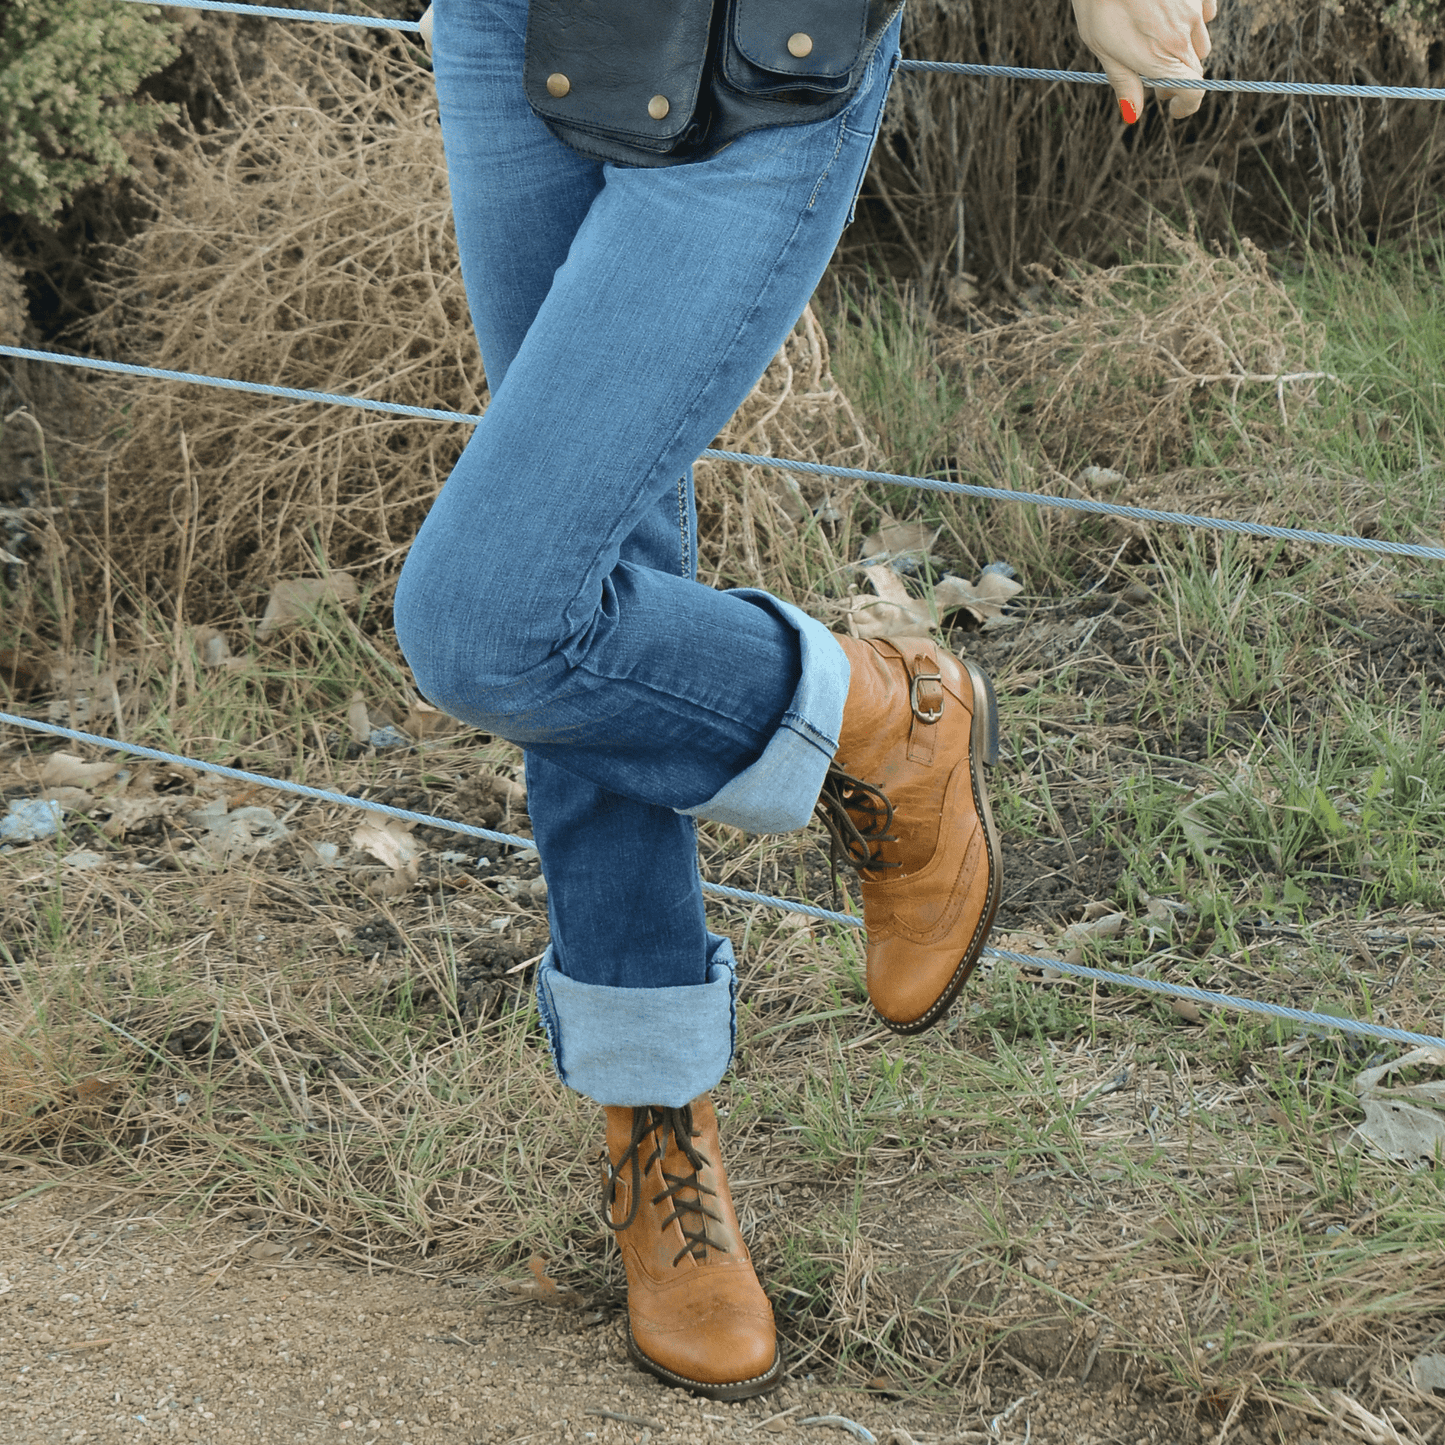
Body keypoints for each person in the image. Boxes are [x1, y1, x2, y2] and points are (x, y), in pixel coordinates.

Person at [395, 0, 1216, 1402]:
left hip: (764, 45)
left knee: (494, 622)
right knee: (583, 564)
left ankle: (879, 717)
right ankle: (661, 1108)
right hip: (512, 24)